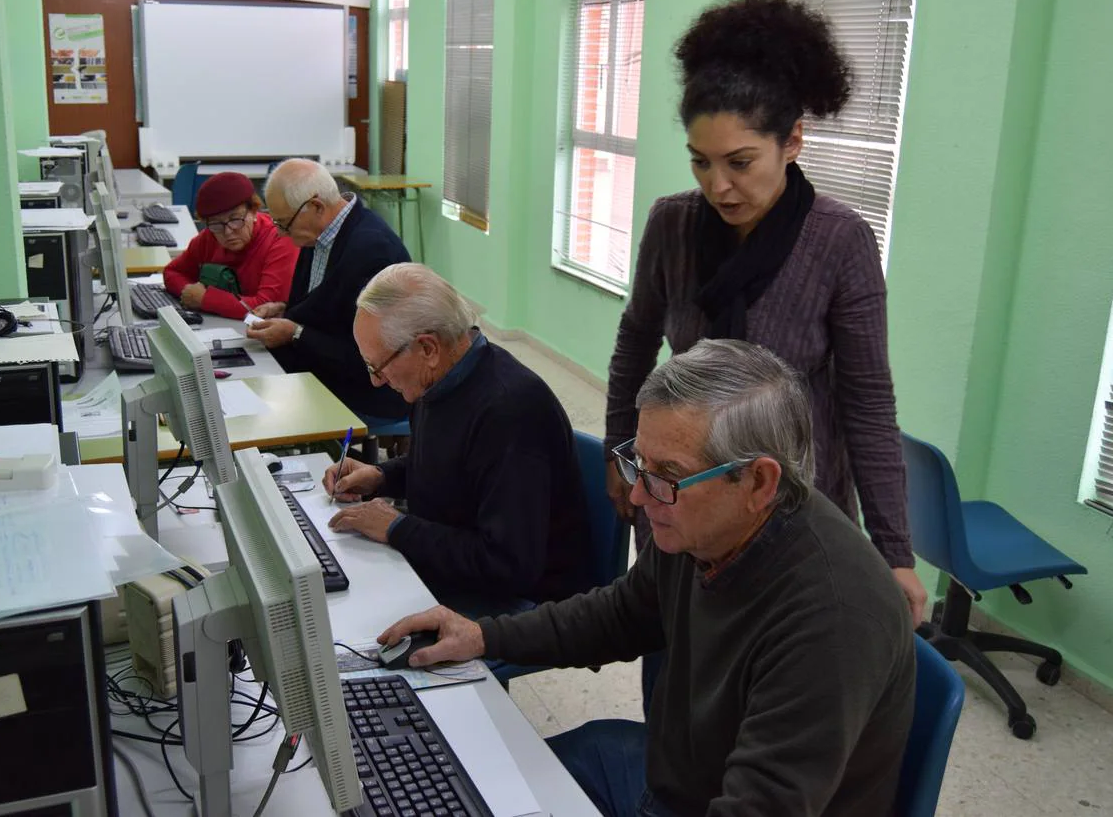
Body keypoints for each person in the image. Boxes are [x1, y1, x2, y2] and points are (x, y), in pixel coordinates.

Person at [380, 339, 916, 817]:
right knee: (470, 787)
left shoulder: (833, 619)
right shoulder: (703, 525)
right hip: (672, 775)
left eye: (667, 476)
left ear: (758, 481)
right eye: (639, 464)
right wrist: (483, 636)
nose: (637, 496)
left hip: (712, 800)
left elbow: (762, 803)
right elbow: (622, 613)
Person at [604, 0, 927, 622]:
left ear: (793, 141)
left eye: (740, 162)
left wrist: (895, 551)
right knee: (673, 662)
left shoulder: (839, 241)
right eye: (701, 162)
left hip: (793, 510)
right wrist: (623, 455)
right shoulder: (672, 225)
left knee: (775, 683)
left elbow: (867, 403)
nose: (718, 185)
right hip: (680, 496)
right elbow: (635, 344)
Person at [322, 263, 593, 610]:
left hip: (512, 599)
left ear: (428, 349)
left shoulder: (509, 411)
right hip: (453, 560)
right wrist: (380, 476)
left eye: (379, 366)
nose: (376, 381)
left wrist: (397, 529)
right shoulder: (439, 381)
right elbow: (450, 468)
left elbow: (508, 565)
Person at [245, 159, 410, 421]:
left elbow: (371, 360)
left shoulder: (372, 251)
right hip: (323, 363)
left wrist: (296, 333)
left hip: (369, 387)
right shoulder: (319, 234)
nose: (280, 233)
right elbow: (324, 307)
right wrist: (285, 311)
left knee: (261, 410)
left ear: (316, 207)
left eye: (283, 224)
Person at [162, 171, 298, 319]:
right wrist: (189, 292)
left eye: (235, 219)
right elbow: (172, 272)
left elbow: (265, 306)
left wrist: (205, 299)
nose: (228, 232)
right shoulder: (210, 236)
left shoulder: (281, 239)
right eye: (216, 223)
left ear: (253, 211)